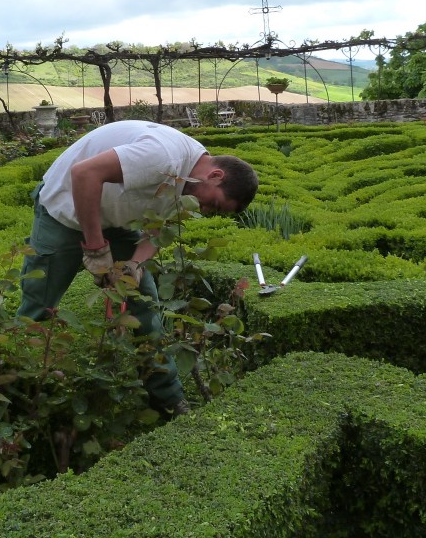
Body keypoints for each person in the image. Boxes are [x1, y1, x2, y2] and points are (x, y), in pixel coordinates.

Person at [16, 119, 259, 416]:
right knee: (38, 302)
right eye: (215, 205)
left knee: (143, 302)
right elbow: (84, 173)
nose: (207, 212)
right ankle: (18, 390)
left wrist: (135, 263)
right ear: (216, 175)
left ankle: (168, 398)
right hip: (64, 212)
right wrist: (95, 249)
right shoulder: (163, 156)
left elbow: (159, 229)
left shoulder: (191, 186)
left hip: (116, 220)